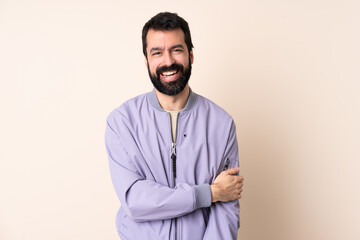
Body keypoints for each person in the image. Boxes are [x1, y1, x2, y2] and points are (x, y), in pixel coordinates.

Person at [105, 12, 244, 240]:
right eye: (157, 52)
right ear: (147, 60)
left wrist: (220, 194)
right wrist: (209, 193)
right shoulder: (122, 122)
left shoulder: (222, 123)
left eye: (176, 50)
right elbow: (135, 201)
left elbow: (226, 208)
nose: (168, 61)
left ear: (190, 54)